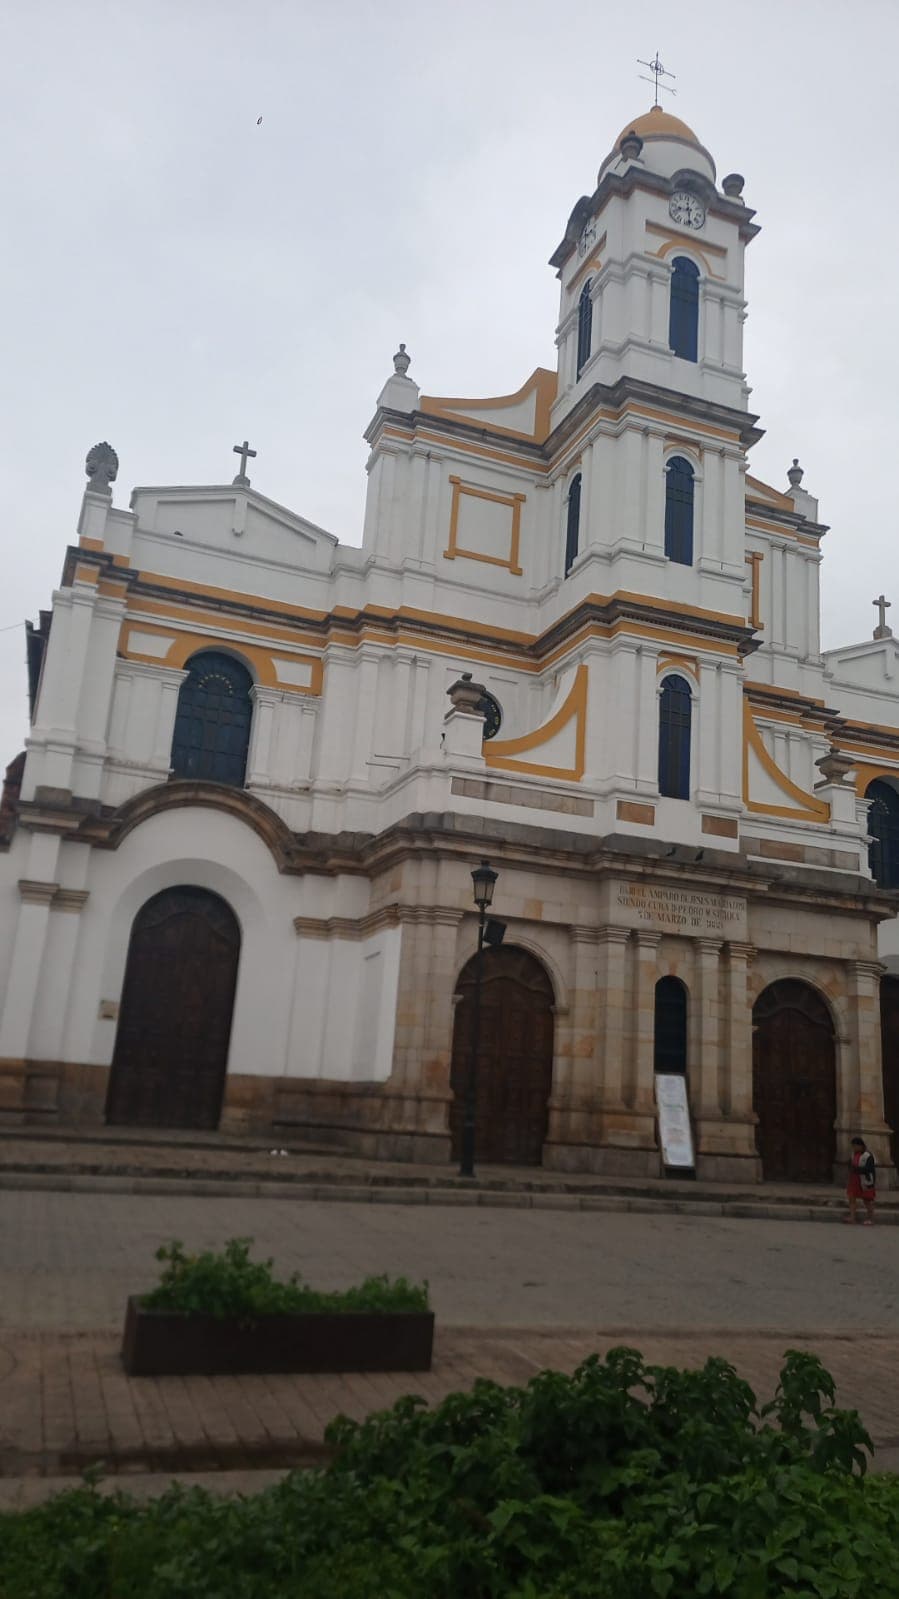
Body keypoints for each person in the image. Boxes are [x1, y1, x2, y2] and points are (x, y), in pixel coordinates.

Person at [844, 1136, 876, 1226]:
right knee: (851, 1198)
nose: (854, 1148)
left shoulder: (868, 1156)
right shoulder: (853, 1154)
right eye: (853, 1146)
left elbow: (870, 1169)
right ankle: (852, 1217)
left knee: (867, 1200)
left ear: (861, 1146)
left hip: (864, 1181)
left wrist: (857, 1169)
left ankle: (870, 1219)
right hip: (854, 1180)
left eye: (855, 1146)